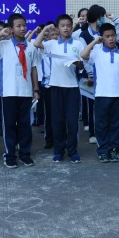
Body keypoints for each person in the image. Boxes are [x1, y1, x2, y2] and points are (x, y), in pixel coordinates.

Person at [0, 13, 41, 168]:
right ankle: (10, 155)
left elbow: (34, 69)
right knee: (9, 125)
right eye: (18, 26)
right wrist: (0, 35)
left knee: (25, 125)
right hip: (8, 92)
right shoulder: (3, 45)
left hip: (26, 92)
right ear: (11, 28)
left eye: (24, 25)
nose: (23, 28)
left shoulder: (31, 47)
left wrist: (36, 89)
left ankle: (25, 154)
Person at [34, 14, 87, 163]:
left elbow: (82, 65)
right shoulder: (51, 44)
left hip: (72, 87)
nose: (66, 28)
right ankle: (58, 151)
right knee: (57, 121)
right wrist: (45, 28)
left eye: (68, 26)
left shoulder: (77, 44)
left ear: (72, 27)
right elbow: (37, 44)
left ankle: (73, 151)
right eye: (62, 26)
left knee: (72, 121)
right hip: (55, 86)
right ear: (58, 28)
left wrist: (78, 64)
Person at [80, 23, 119, 162]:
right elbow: (83, 55)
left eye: (113, 35)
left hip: (118, 95)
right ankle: (102, 150)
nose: (111, 39)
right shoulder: (97, 53)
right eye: (107, 36)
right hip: (101, 94)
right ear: (101, 37)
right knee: (101, 124)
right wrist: (95, 42)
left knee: (116, 124)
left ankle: (114, 150)